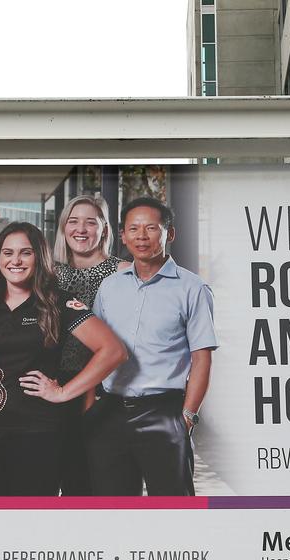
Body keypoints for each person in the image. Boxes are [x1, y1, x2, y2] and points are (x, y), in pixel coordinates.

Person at [0, 222, 125, 496]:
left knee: (34, 524)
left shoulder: (58, 302)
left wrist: (63, 392)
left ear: (39, 257)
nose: (15, 260)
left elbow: (113, 350)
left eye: (25, 253)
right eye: (7, 253)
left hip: (38, 433)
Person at [87, 197, 217, 496]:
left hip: (164, 410)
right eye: (133, 228)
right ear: (122, 235)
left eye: (151, 228)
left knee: (174, 509)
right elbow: (97, 349)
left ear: (169, 233)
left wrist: (187, 417)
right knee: (112, 508)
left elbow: (202, 359)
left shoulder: (192, 288)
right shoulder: (110, 286)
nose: (141, 236)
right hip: (111, 411)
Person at [52, 195, 129, 495]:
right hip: (56, 387)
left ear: (104, 230)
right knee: (60, 478)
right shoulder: (50, 273)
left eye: (90, 222)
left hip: (104, 391)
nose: (80, 229)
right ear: (63, 228)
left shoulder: (123, 272)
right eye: (73, 221)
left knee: (97, 483)